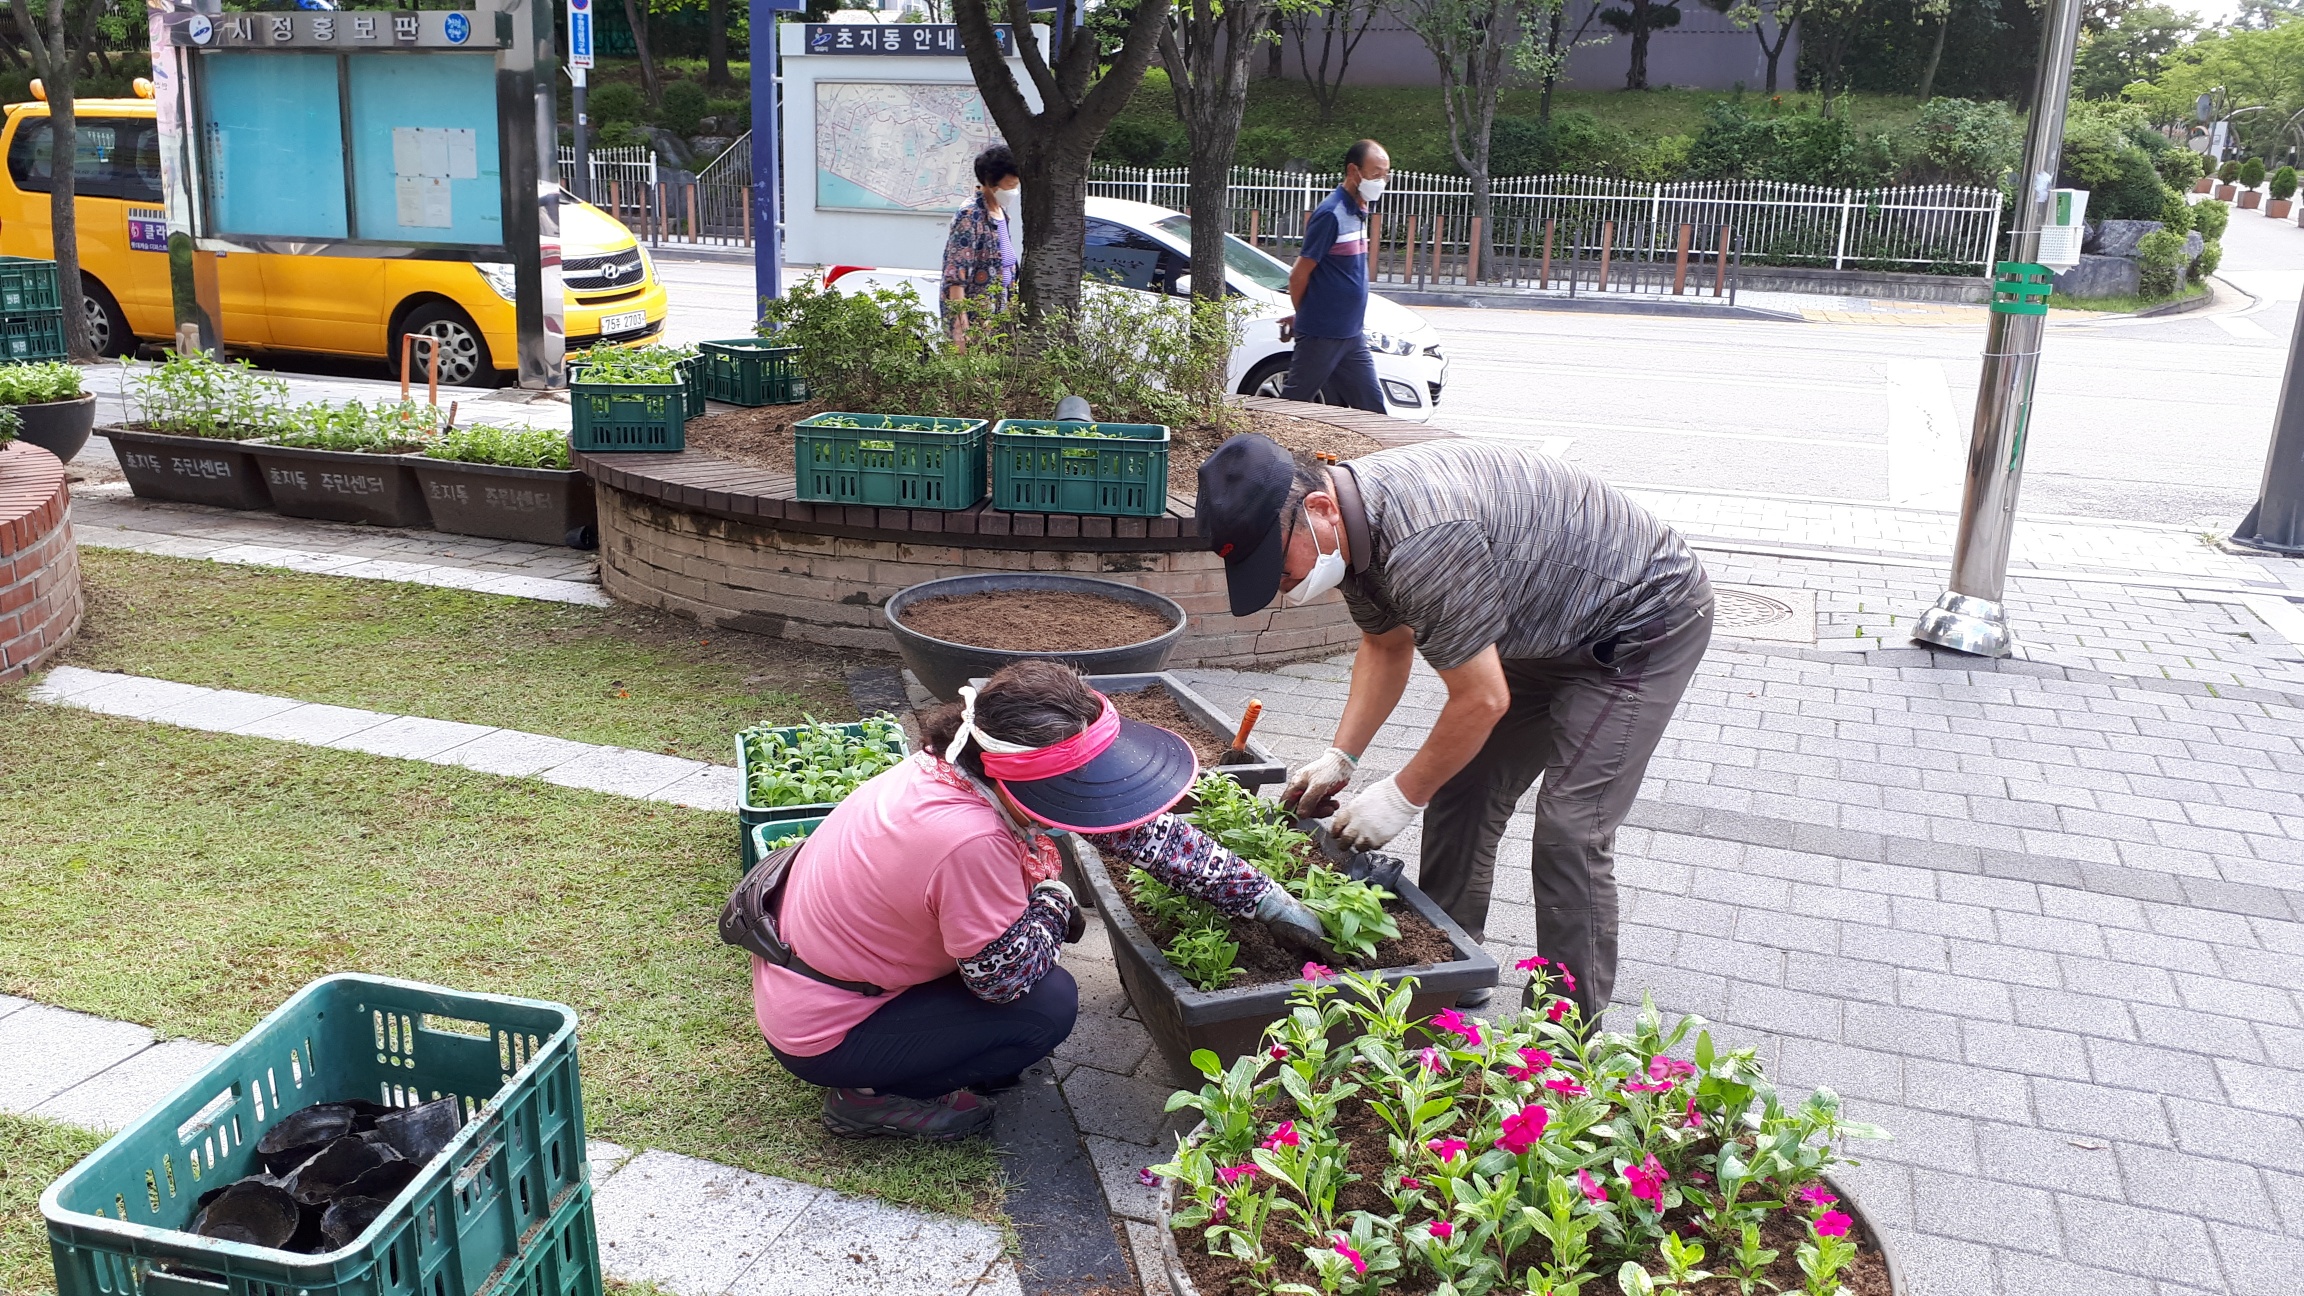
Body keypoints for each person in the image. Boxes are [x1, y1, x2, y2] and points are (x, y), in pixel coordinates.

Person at [1195, 435, 1713, 1024]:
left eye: (1276, 566)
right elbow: (1386, 646)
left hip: (1640, 623)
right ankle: (1451, 975)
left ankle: (1564, 1033)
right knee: (1462, 792)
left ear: (1318, 510)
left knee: (1571, 828)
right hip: (1543, 626)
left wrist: (1398, 795)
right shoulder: (1356, 535)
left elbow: (1482, 698)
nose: (1280, 586)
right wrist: (1343, 756)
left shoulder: (1421, 540)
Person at [747, 659, 1336, 1141]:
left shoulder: (950, 765)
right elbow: (1001, 981)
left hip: (830, 976)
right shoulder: (970, 838)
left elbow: (1141, 832)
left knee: (1027, 1001)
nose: (1087, 804)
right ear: (1022, 779)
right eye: (1076, 787)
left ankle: (916, 1056)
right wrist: (1053, 902)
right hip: (830, 1030)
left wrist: (1266, 900)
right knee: (1045, 1008)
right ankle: (866, 1099)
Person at [1280, 140, 1391, 413]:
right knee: (1291, 407)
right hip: (1323, 335)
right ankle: (1264, 454)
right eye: (1376, 173)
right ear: (1354, 171)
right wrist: (1305, 316)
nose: (1382, 180)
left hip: (1351, 335)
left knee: (1374, 411)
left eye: (1385, 174)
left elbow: (1336, 275)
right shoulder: (1331, 214)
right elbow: (1299, 275)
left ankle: (1380, 457)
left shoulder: (1358, 211)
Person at [940, 144, 1021, 345]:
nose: (1013, 191)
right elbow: (955, 275)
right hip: (977, 320)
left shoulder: (1001, 213)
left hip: (998, 318)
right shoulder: (970, 215)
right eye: (1009, 186)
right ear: (991, 181)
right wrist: (960, 330)